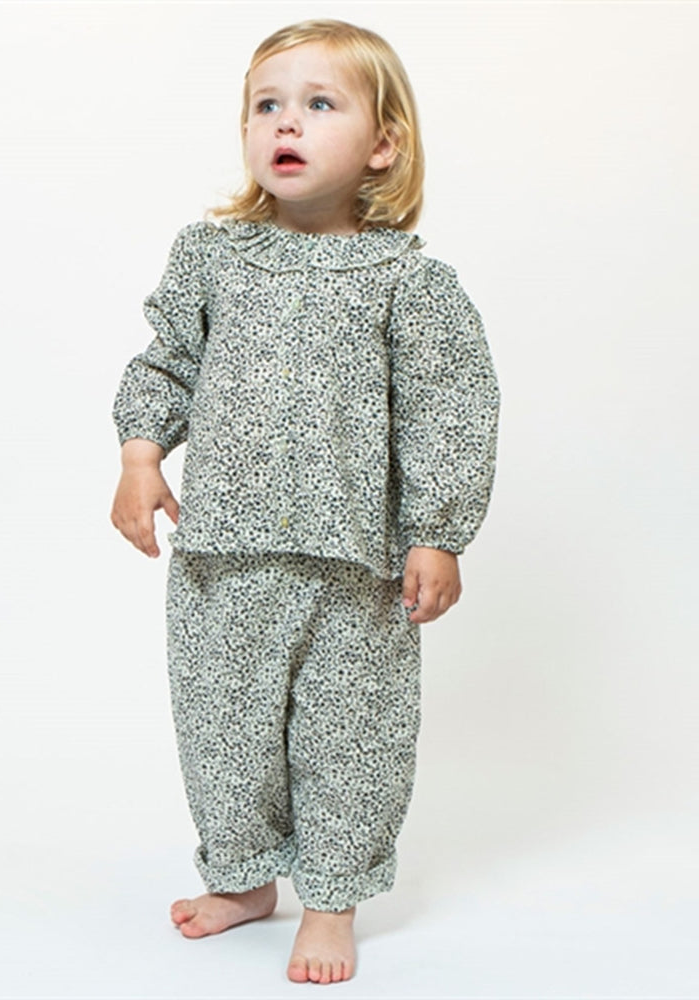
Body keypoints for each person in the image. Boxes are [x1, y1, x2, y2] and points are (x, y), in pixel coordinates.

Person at [109, 17, 500, 985]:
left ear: (382, 144)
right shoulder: (211, 258)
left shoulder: (409, 283)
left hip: (355, 571)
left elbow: (449, 409)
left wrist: (438, 532)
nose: (285, 122)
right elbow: (166, 362)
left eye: (319, 104)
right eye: (266, 106)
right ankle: (243, 878)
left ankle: (330, 899)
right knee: (223, 733)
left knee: (350, 739)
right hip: (222, 559)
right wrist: (140, 455)